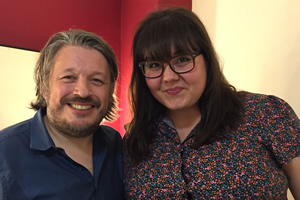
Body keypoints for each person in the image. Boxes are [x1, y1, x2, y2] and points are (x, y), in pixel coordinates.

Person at [123, 7, 300, 199]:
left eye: (182, 60)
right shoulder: (137, 140)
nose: (168, 77)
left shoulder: (265, 114)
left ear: (207, 59)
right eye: (154, 65)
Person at [0, 29, 124, 199]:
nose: (83, 91)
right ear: (44, 86)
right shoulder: (5, 154)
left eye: (97, 80)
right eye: (68, 77)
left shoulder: (116, 145)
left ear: (110, 91)